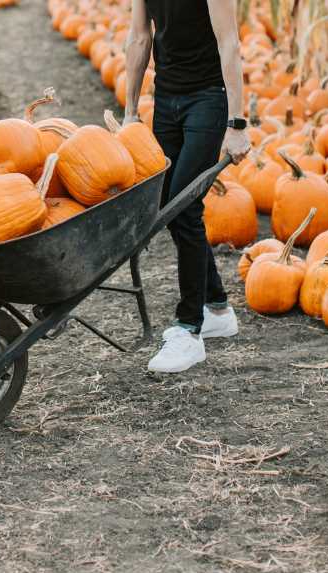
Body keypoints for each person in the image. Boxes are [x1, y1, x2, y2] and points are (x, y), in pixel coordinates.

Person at [123, 0, 251, 373]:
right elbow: (139, 37)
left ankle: (189, 328)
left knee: (183, 205)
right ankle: (217, 308)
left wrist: (237, 123)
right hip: (166, 99)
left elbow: (229, 43)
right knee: (170, 204)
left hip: (207, 99)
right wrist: (131, 112)